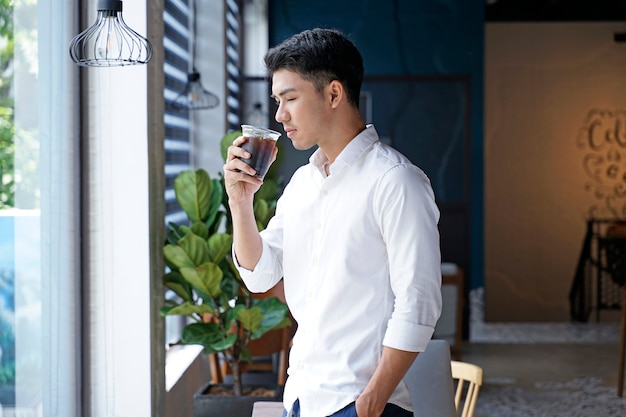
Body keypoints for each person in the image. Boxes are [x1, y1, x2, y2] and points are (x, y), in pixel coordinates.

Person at [223, 28, 442, 417]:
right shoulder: (303, 184)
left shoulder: (396, 182)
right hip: (302, 398)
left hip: (359, 403)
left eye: (290, 98)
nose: (279, 115)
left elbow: (419, 302)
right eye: (277, 100)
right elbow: (261, 275)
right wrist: (241, 204)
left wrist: (372, 401)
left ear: (334, 94)